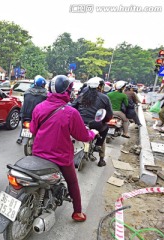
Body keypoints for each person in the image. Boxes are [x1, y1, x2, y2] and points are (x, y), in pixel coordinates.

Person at [30, 75, 99, 222]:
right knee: (73, 182)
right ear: (67, 92)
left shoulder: (39, 107)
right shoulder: (71, 113)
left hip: (38, 154)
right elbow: (82, 136)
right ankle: (77, 212)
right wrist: (92, 133)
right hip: (60, 158)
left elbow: (33, 130)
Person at [71, 77, 113, 167]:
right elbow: (109, 115)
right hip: (95, 124)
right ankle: (100, 155)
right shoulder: (105, 98)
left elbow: (72, 107)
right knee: (105, 128)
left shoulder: (82, 96)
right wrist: (104, 121)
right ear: (99, 86)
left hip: (79, 122)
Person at [16, 75, 47, 144]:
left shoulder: (27, 91)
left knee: (24, 125)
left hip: (25, 113)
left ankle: (20, 138)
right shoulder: (45, 94)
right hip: (37, 115)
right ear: (43, 85)